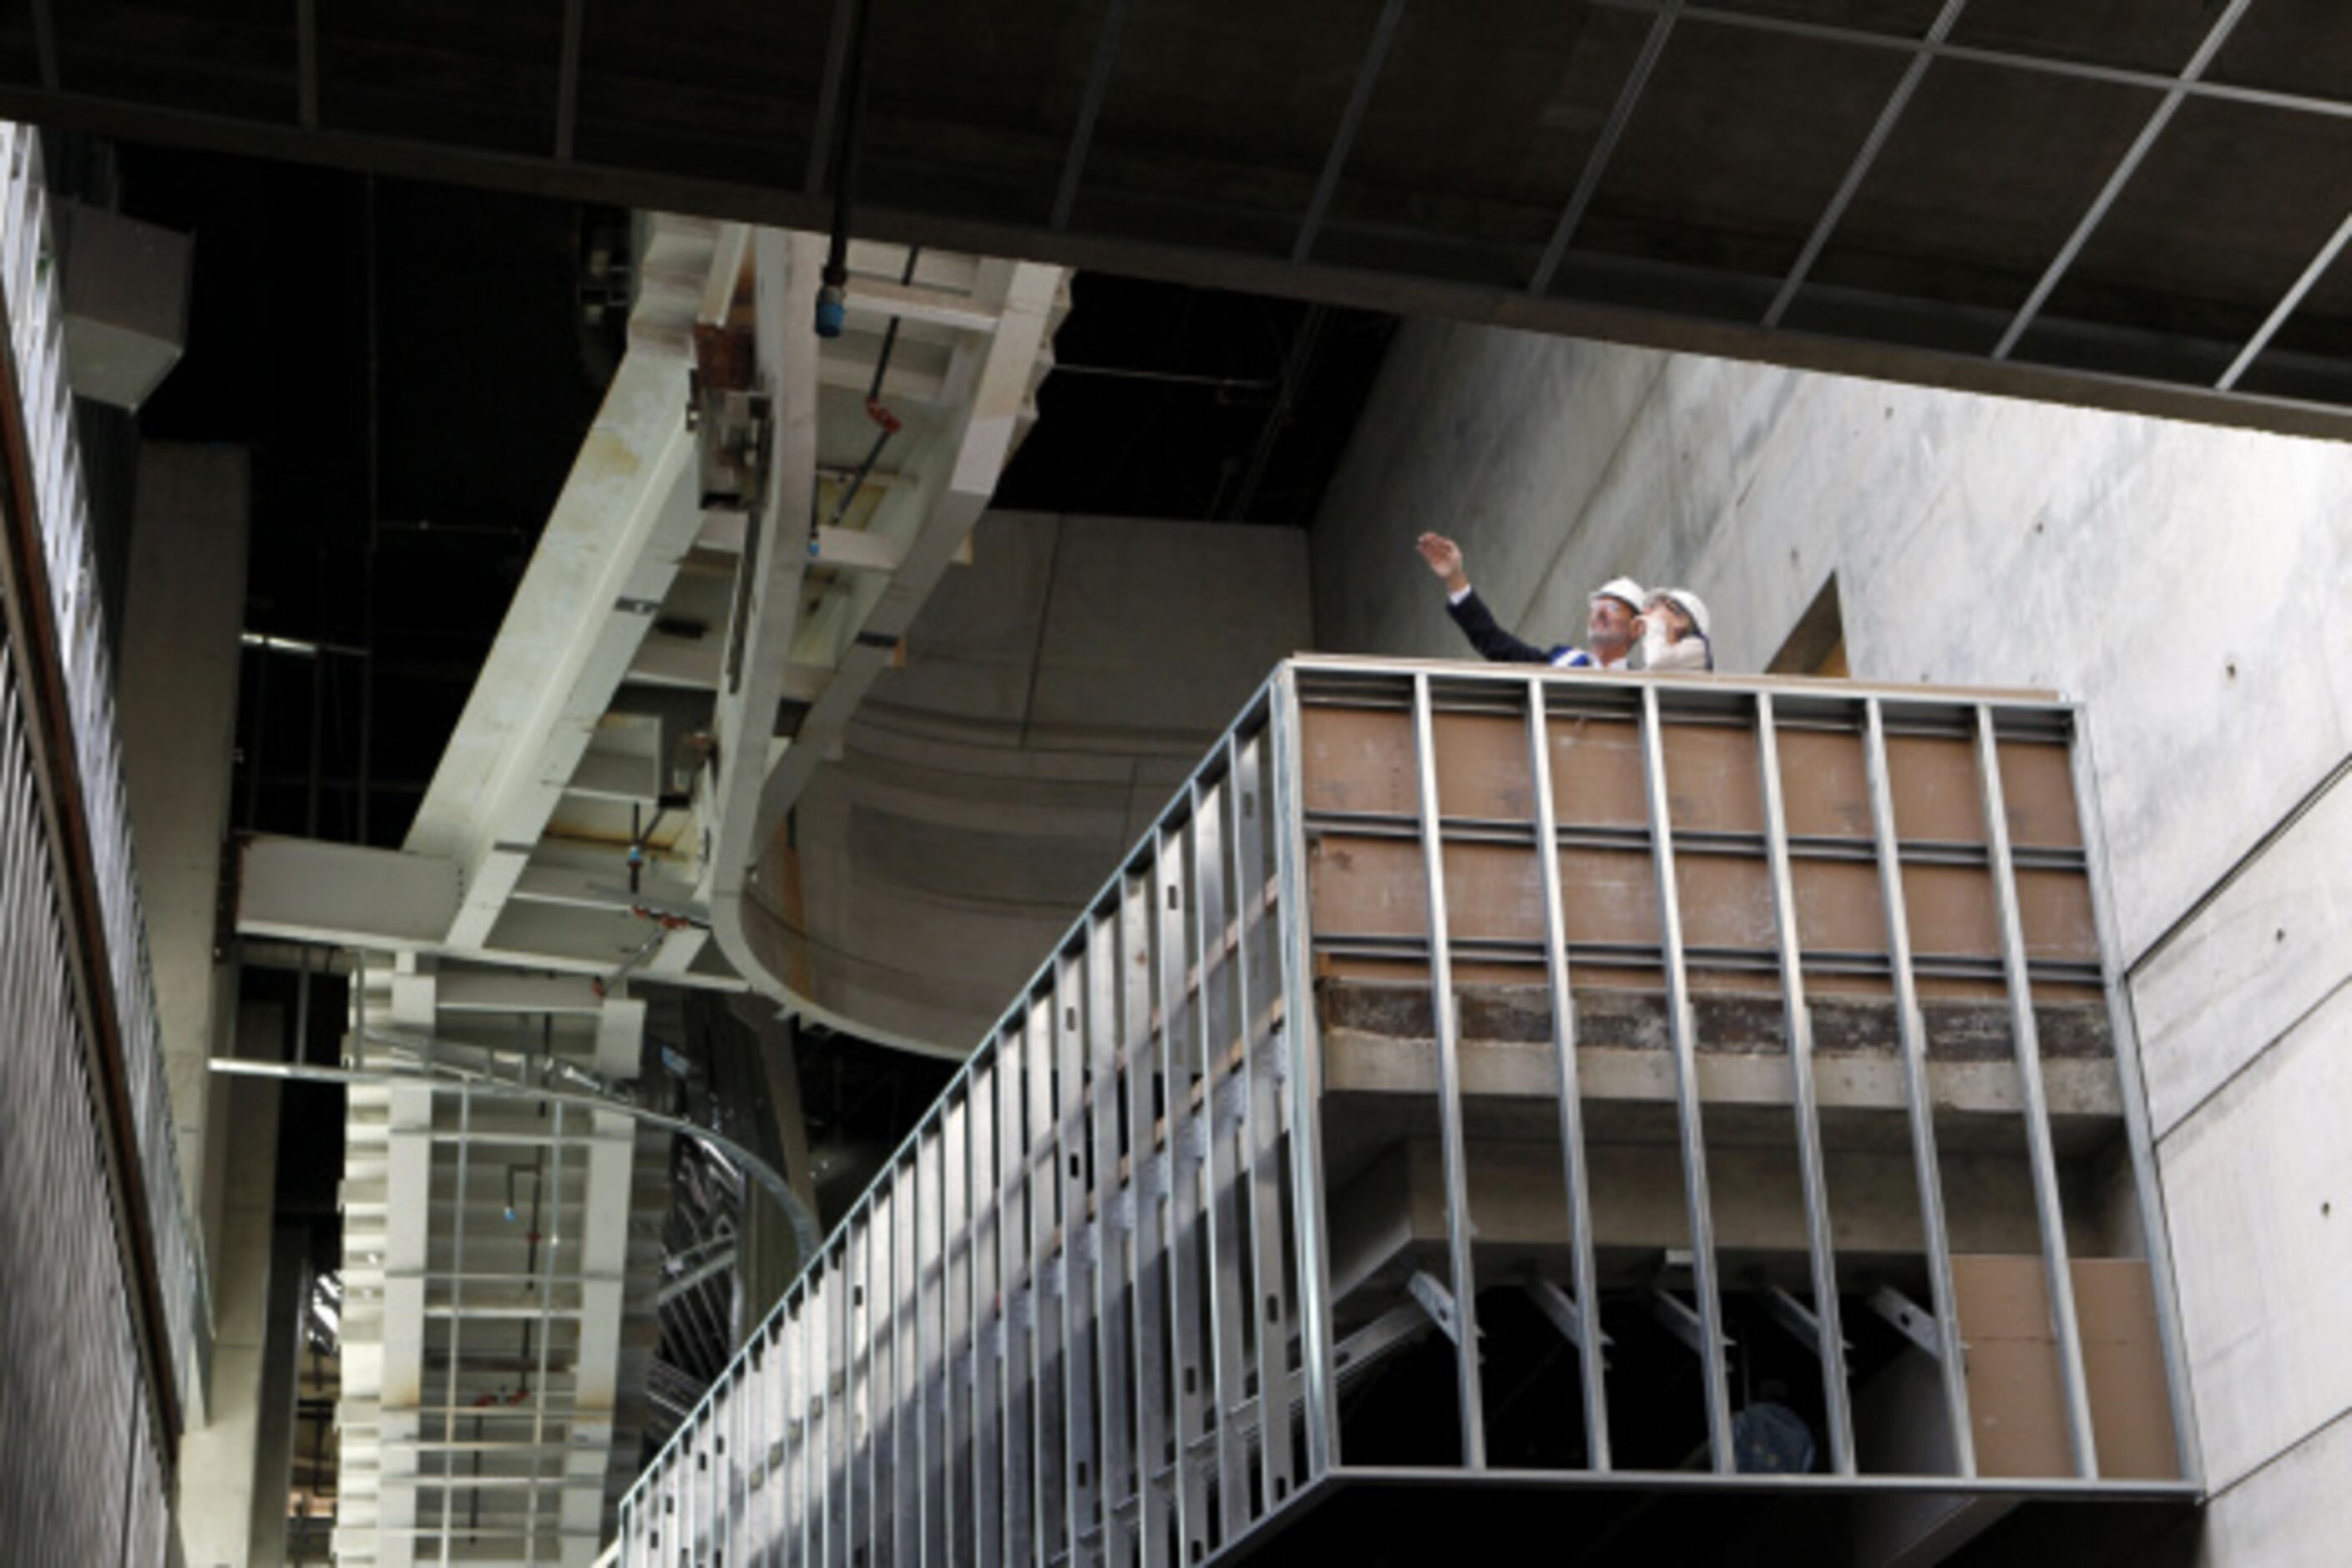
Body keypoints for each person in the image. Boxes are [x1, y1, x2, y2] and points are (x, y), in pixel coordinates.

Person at [1415, 532, 1642, 670]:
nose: (1600, 612)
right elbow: (1496, 644)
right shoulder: (1562, 661)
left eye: (1613, 607)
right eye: (1596, 605)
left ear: (1636, 628)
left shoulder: (1644, 690)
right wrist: (1455, 578)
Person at [1635, 587, 1714, 672]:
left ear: (1680, 621)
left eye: (1655, 606)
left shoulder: (1698, 649)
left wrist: (1655, 623)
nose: (1646, 611)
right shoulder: (1660, 651)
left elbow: (1656, 662)